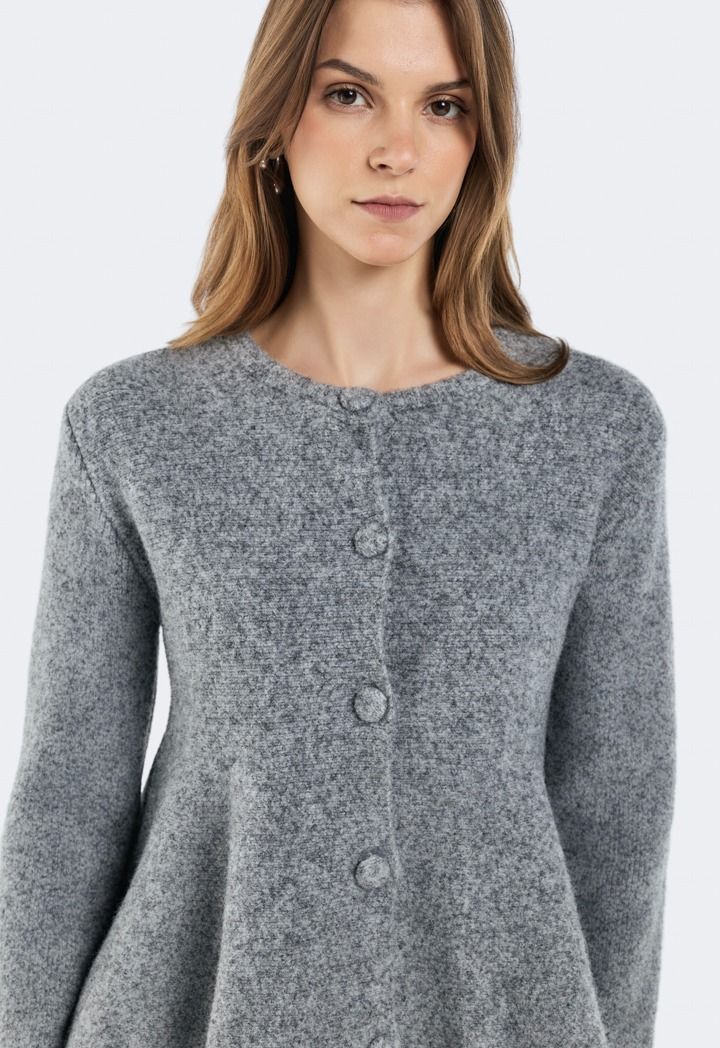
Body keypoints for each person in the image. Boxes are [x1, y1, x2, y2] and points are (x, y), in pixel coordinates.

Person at [0, 1, 676, 1046]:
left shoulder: (596, 428)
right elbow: (68, 799)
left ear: (485, 138)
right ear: (277, 117)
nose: (398, 149)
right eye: (350, 94)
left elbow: (618, 804)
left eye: (444, 106)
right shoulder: (132, 425)